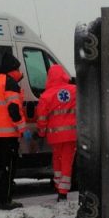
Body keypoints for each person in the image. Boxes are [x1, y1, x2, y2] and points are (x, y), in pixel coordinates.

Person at [0, 54, 28, 210]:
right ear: (12, 69)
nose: (19, 72)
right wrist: (22, 128)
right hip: (8, 135)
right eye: (17, 69)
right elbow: (13, 109)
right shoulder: (10, 83)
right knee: (7, 168)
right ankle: (5, 200)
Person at [35, 64, 77, 201]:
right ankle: (63, 191)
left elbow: (41, 118)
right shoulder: (75, 90)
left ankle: (58, 185)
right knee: (67, 161)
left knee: (57, 160)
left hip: (55, 135)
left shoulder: (46, 95)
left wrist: (41, 134)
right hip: (71, 134)